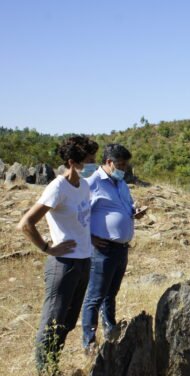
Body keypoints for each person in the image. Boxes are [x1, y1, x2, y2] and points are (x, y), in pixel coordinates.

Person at [17, 136, 93, 374]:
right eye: (88, 160)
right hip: (64, 263)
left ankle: (53, 365)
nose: (93, 163)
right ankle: (45, 370)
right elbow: (26, 223)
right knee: (52, 321)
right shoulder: (57, 187)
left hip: (83, 261)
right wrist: (47, 248)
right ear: (72, 162)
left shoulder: (83, 185)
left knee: (68, 322)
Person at [81, 144, 145, 352]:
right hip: (103, 249)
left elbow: (127, 207)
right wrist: (89, 236)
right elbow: (78, 213)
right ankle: (89, 342)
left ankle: (111, 330)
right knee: (95, 296)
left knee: (111, 293)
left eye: (125, 165)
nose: (124, 169)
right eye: (121, 165)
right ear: (109, 163)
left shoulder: (121, 183)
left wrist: (135, 211)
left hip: (121, 248)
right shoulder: (92, 182)